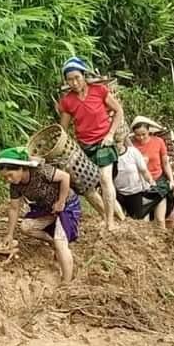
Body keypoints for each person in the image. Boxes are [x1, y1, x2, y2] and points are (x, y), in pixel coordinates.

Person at [57, 58, 122, 233]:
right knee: (88, 189)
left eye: (77, 77)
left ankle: (110, 223)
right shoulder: (68, 101)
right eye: (70, 79)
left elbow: (118, 111)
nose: (74, 82)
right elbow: (63, 129)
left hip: (104, 142)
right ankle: (114, 217)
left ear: (84, 76)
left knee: (105, 179)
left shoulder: (99, 91)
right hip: (84, 146)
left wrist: (110, 134)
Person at [0, 147, 80, 283]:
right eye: (5, 178)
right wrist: (9, 235)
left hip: (66, 205)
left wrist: (61, 202)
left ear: (21, 168)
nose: (8, 180)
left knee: (61, 244)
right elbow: (14, 208)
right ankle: (52, 242)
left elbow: (65, 177)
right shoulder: (15, 187)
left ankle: (66, 283)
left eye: (10, 175)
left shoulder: (40, 171)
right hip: (47, 209)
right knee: (26, 227)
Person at [130, 118, 174, 231]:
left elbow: (165, 163)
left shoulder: (158, 142)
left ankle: (163, 244)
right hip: (141, 186)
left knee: (160, 219)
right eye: (137, 135)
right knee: (143, 221)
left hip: (158, 183)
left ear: (149, 131)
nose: (141, 138)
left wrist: (171, 180)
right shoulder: (131, 147)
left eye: (143, 134)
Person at [113, 142, 160, 222]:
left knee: (137, 220)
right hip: (117, 193)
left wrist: (151, 182)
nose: (117, 145)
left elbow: (144, 171)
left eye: (118, 142)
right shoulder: (109, 156)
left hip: (134, 192)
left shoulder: (133, 152)